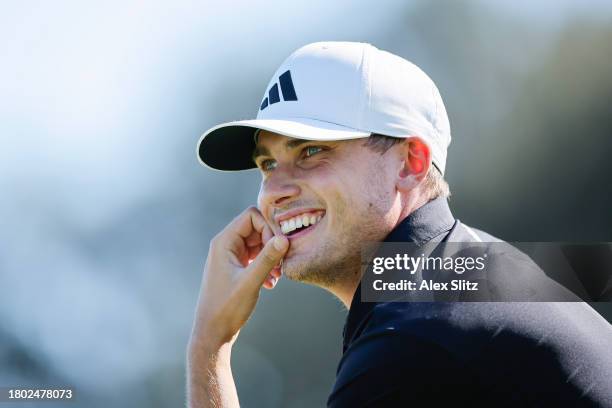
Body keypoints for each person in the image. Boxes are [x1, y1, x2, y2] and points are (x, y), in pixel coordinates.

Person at [187, 42, 612, 407]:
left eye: (312, 151)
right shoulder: (466, 271)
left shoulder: (413, 338)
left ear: (411, 163)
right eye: (267, 164)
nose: (274, 190)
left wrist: (209, 347)